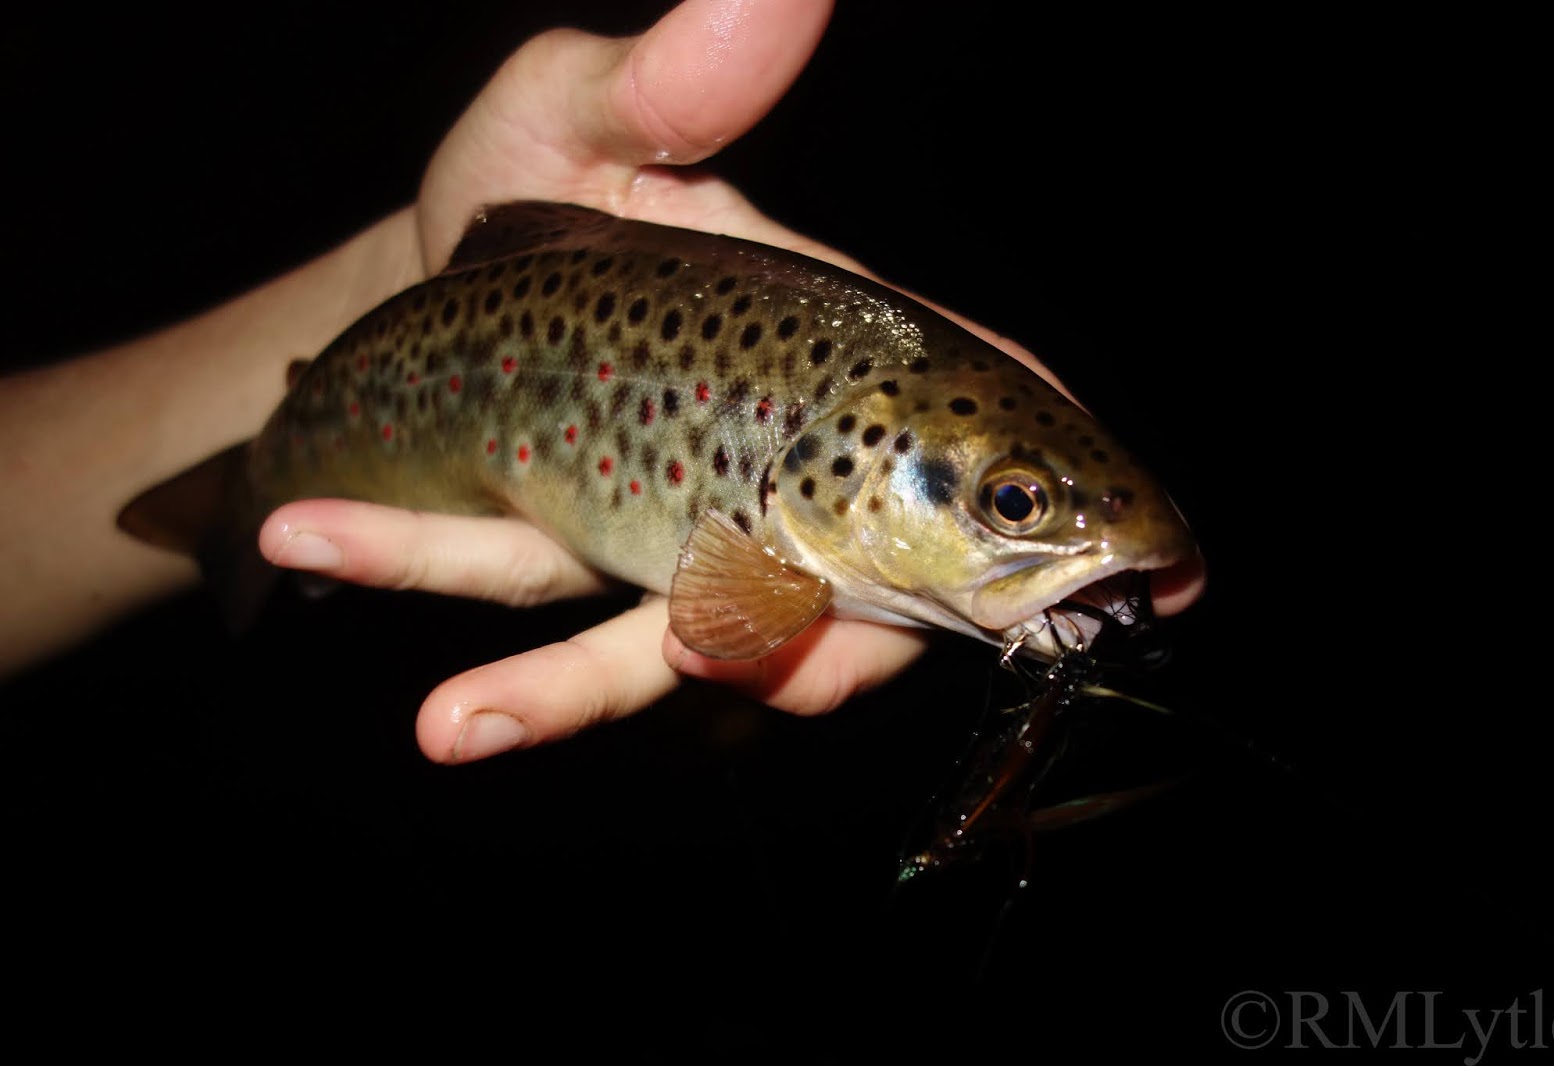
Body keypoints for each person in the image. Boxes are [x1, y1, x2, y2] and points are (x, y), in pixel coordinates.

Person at [0, 0, 1203, 763]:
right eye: (1013, 505)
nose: (1033, 533)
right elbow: (726, 611)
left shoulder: (869, 452)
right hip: (400, 369)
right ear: (855, 448)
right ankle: (239, 519)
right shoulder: (804, 498)